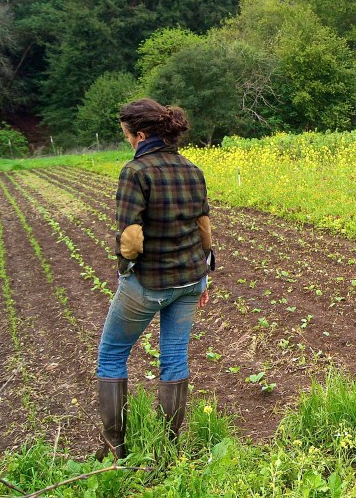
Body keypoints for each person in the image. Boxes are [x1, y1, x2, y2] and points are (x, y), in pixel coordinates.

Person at [96, 99, 214, 460]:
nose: (129, 142)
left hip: (148, 283)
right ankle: (167, 448)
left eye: (128, 136)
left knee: (112, 355)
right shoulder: (192, 169)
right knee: (174, 357)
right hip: (190, 281)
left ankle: (115, 448)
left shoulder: (136, 171)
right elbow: (204, 229)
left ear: (141, 135)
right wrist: (204, 278)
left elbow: (131, 239)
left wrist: (125, 270)